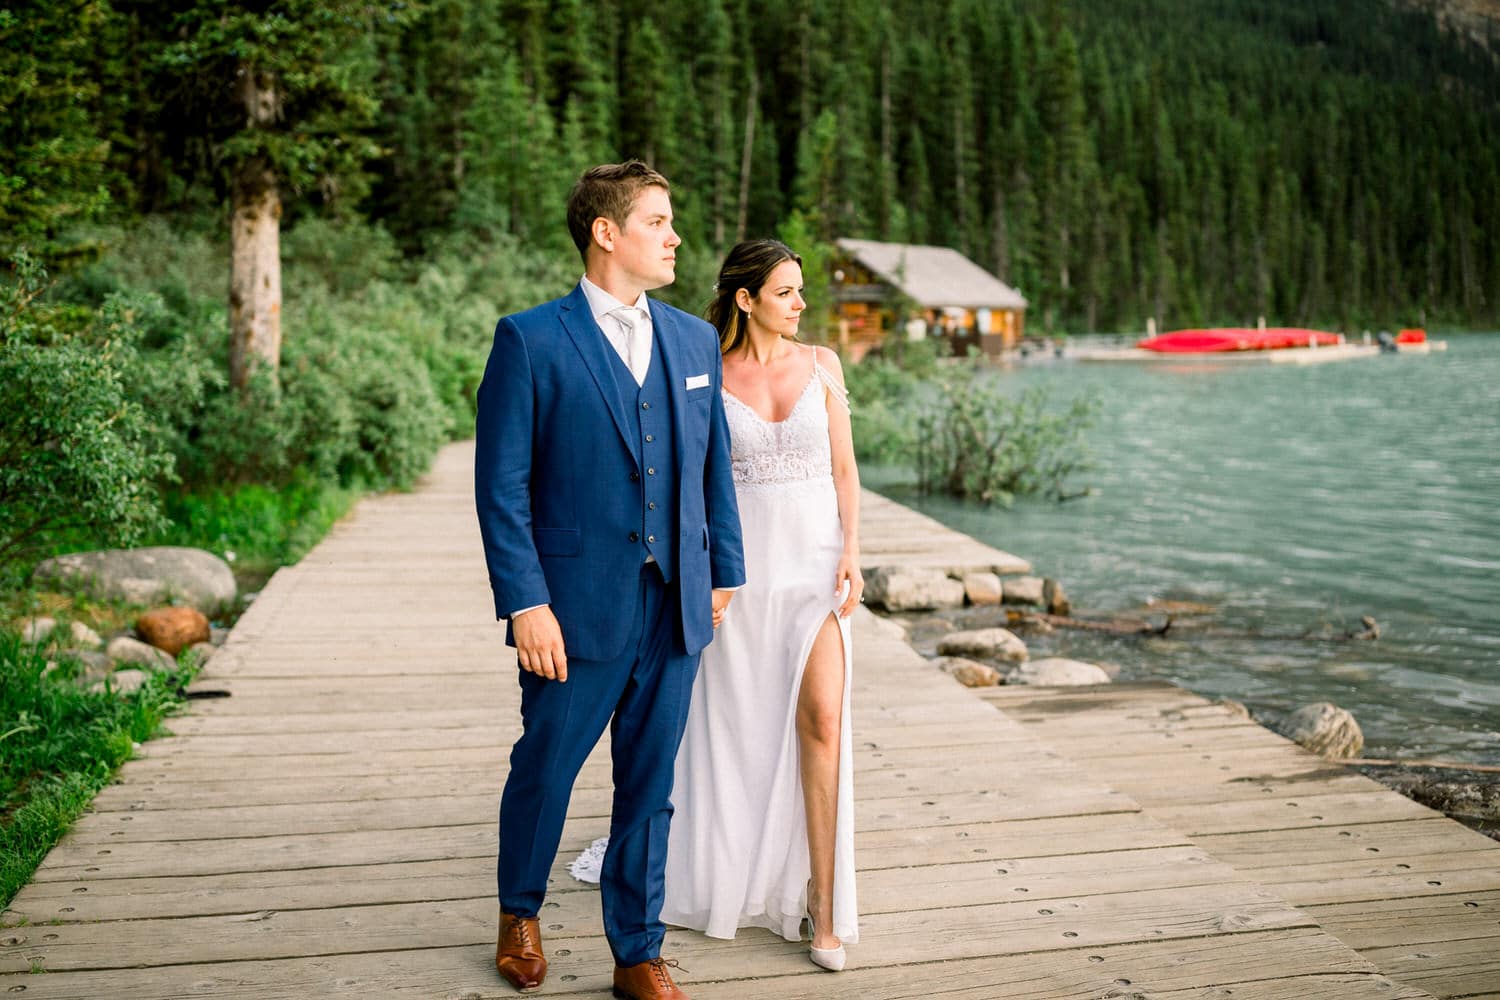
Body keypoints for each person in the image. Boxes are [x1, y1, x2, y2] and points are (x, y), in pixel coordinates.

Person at [474, 160, 745, 1000]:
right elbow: (501, 486)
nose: (674, 237)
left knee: (651, 781)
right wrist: (526, 602)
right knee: (546, 766)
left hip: (676, 601)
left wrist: (723, 569)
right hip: (572, 605)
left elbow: (712, 469)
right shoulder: (530, 339)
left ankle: (638, 949)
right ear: (606, 233)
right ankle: (519, 911)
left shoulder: (696, 341)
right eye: (658, 221)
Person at [663, 239, 862, 968]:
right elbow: (690, 479)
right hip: (741, 577)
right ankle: (734, 869)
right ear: (746, 299)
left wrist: (851, 552)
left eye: (801, 290)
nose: (801, 303)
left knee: (823, 720)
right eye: (786, 292)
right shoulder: (706, 373)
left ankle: (825, 908)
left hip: (816, 572)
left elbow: (844, 470)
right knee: (737, 730)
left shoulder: (824, 366)